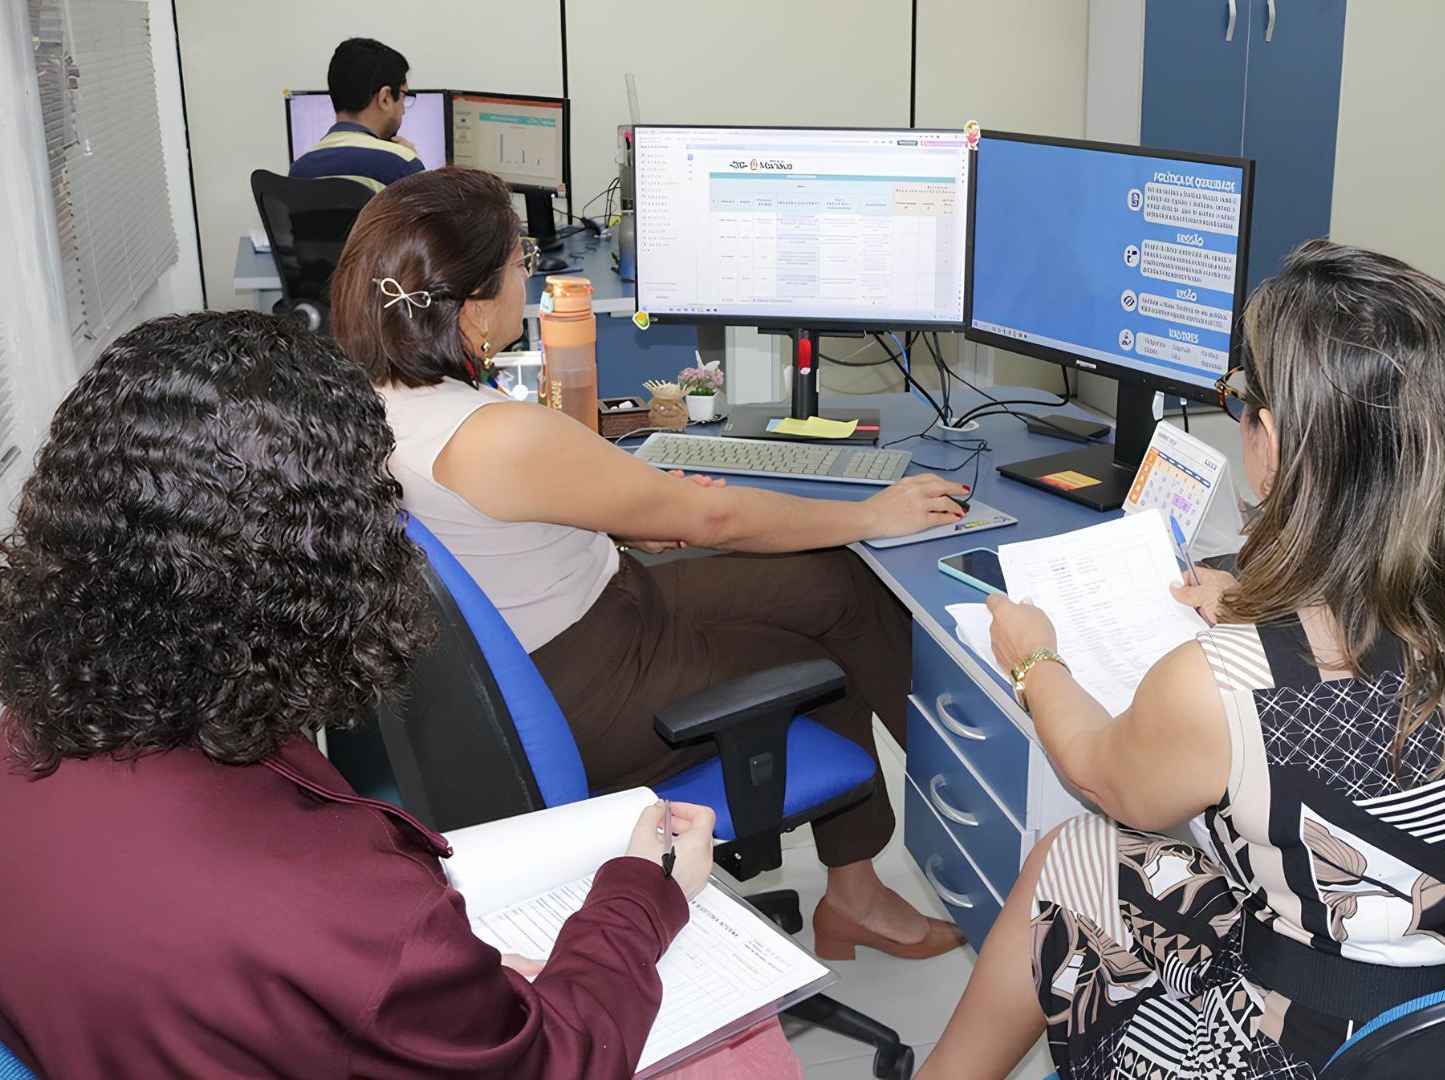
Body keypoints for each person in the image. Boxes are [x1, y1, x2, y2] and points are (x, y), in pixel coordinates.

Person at [0, 310, 768, 1078]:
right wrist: (640, 893)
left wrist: (441, 987)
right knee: (748, 1050)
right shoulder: (338, 914)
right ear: (321, 561)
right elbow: (559, 1058)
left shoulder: (14, 758)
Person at [918, 241, 1445, 1080]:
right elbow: (1380, 716)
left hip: (1304, 1053)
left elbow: (1100, 772)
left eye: (1242, 401)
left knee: (1076, 853)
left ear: (1280, 438)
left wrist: (1033, 653)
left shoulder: (1225, 681)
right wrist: (1266, 613)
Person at [329, 166, 970, 961]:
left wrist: (640, 514)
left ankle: (875, 879)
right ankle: (964, 827)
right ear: (471, 308)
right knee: (825, 646)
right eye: (519, 262)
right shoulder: (495, 434)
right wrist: (872, 511)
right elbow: (717, 516)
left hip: (573, 620)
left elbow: (518, 524)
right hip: (596, 674)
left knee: (831, 580)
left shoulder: (364, 407)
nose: (529, 276)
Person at [290, 37, 425, 191]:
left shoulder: (299, 170)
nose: (403, 109)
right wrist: (416, 167)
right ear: (385, 98)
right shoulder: (401, 164)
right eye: (403, 95)